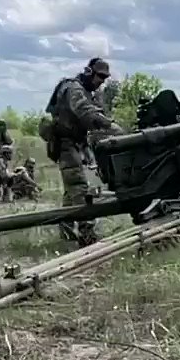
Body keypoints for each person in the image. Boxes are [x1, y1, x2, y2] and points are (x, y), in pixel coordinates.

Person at [43, 57, 123, 245]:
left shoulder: (88, 92)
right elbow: (84, 111)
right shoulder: (74, 88)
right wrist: (109, 125)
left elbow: (95, 112)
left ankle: (66, 232)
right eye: (100, 77)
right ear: (89, 72)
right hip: (65, 144)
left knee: (72, 191)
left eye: (105, 78)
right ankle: (87, 234)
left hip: (77, 144)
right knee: (80, 188)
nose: (101, 81)